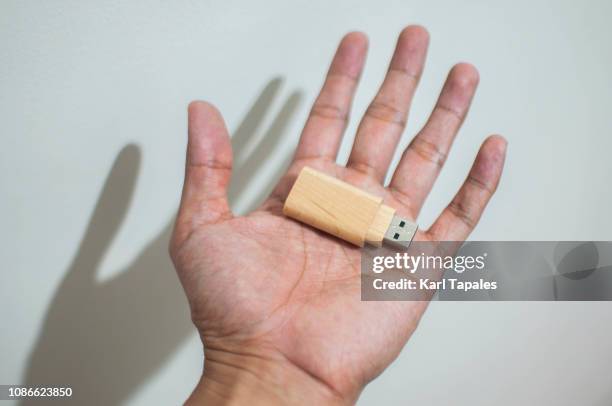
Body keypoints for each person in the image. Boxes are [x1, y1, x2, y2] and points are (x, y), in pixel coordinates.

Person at [169, 25, 506, 405]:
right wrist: (257, 360)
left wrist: (264, 368)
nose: (401, 232)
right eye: (398, 230)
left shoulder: (382, 228)